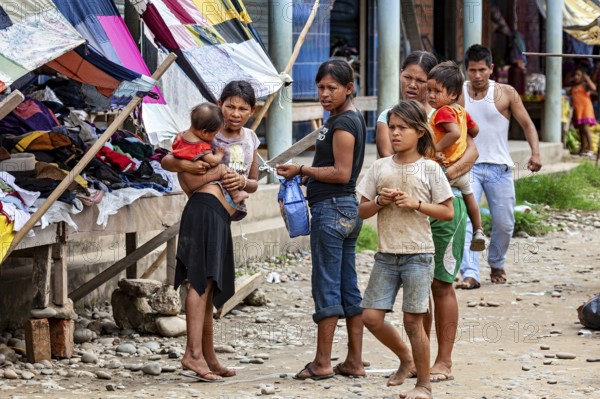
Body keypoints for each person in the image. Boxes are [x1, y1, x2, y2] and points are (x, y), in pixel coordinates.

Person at [376, 50, 478, 384]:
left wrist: (446, 174)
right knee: (418, 289)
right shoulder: (392, 118)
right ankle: (420, 360)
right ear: (399, 74)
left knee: (441, 284)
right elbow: (388, 162)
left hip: (442, 211)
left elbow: (472, 149)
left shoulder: (446, 115)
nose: (416, 86)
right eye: (410, 78)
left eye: (424, 82)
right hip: (404, 215)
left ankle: (443, 360)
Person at [161, 80, 260, 381]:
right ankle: (192, 355)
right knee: (200, 282)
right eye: (230, 106)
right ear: (219, 105)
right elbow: (168, 159)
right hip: (204, 209)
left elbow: (254, 182)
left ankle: (208, 356)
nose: (235, 113)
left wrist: (240, 183)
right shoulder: (206, 131)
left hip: (221, 215)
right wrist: (197, 168)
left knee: (210, 283)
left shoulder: (251, 139)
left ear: (251, 111)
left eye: (243, 108)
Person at [276, 59, 366, 381]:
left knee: (326, 285)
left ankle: (322, 362)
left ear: (349, 89)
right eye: (321, 87)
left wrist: (302, 170)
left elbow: (341, 174)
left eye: (332, 88)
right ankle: (354, 361)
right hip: (344, 212)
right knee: (347, 287)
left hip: (333, 211)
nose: (324, 93)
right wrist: (304, 179)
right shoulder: (338, 118)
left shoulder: (344, 124)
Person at [359, 100, 454, 399]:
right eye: (392, 128)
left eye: (402, 128)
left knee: (414, 321)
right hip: (386, 255)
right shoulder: (378, 167)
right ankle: (406, 359)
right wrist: (379, 202)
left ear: (419, 132)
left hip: (419, 254)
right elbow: (361, 211)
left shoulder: (430, 169)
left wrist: (416, 205)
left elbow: (447, 212)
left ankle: (423, 384)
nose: (395, 134)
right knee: (371, 317)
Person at [456, 44, 542, 289]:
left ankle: (496, 262)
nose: (477, 76)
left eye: (482, 70)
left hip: (500, 169)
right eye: (472, 70)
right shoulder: (458, 93)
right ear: (466, 70)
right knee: (466, 222)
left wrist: (535, 152)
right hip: (467, 167)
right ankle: (470, 273)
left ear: (491, 69)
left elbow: (527, 124)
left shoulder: (507, 93)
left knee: (504, 223)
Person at [427, 61, 486, 251]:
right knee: (470, 199)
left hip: (445, 168)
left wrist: (436, 148)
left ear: (453, 94)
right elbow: (475, 130)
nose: (431, 96)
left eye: (437, 91)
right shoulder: (461, 111)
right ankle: (478, 230)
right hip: (462, 169)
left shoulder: (442, 112)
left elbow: (452, 133)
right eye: (429, 90)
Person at [171, 102, 248, 205]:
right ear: (204, 132)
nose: (214, 137)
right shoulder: (200, 146)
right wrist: (219, 154)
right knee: (222, 169)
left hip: (184, 181)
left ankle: (192, 199)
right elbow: (213, 161)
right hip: (195, 180)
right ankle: (236, 195)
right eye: (214, 134)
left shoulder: (180, 137)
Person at [570, 65, 596, 157]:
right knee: (581, 131)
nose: (576, 77)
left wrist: (587, 79)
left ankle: (591, 149)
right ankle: (582, 148)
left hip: (586, 111)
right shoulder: (573, 86)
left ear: (583, 77)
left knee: (585, 129)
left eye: (579, 75)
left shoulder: (584, 85)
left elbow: (594, 88)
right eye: (575, 75)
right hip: (578, 112)